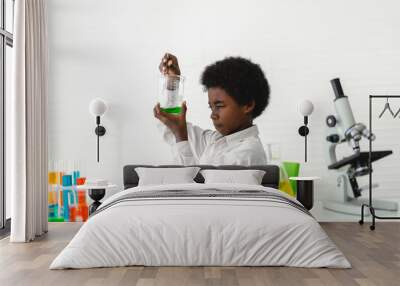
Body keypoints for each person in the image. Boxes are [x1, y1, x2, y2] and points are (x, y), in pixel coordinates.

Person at [154, 53, 270, 166]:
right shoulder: (214, 141)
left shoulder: (247, 154)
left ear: (248, 105)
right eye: (211, 107)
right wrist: (172, 83)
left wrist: (180, 135)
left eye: (219, 106)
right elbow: (169, 125)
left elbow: (191, 184)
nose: (213, 115)